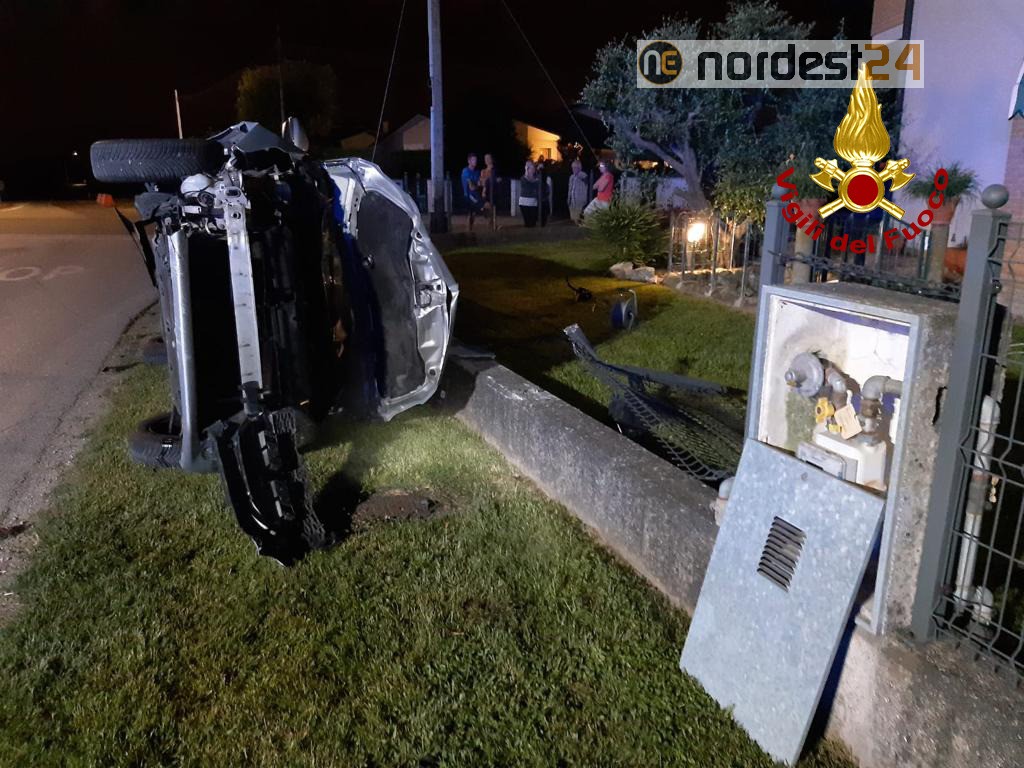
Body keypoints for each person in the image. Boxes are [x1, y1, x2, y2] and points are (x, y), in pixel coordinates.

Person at [461, 152, 483, 231]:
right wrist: (477, 185)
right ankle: (468, 229)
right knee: (481, 208)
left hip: (475, 194)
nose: (475, 162)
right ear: (469, 161)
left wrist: (477, 185)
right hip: (468, 195)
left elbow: (479, 183)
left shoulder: (477, 172)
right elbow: (472, 187)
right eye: (473, 160)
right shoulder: (466, 171)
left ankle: (469, 229)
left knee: (472, 213)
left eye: (476, 160)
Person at [518, 161, 542, 228]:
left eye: (533, 168)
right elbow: (529, 182)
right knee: (527, 222)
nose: (533, 170)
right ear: (527, 169)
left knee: (533, 222)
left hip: (533, 202)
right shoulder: (523, 178)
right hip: (524, 202)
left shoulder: (537, 178)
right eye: (531, 168)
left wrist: (539, 170)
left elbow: (538, 183)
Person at [567, 159, 589, 225]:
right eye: (572, 167)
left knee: (577, 217)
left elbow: (586, 180)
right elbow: (570, 188)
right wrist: (568, 198)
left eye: (575, 167)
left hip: (579, 199)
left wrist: (578, 174)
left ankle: (580, 225)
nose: (573, 169)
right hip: (572, 199)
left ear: (579, 168)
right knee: (573, 217)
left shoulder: (583, 175)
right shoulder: (571, 177)